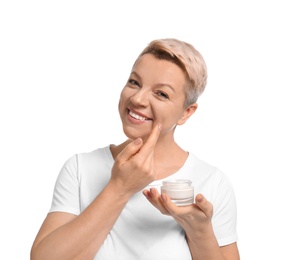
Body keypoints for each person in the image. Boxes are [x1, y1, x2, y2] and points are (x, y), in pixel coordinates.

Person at [30, 38, 240, 260]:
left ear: (186, 112)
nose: (137, 99)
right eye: (134, 82)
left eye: (161, 94)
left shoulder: (212, 182)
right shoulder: (80, 168)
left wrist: (200, 231)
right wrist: (119, 187)